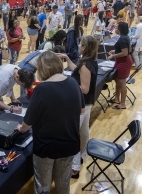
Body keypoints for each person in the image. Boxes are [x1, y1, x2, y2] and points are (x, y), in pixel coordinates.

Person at [15, 51, 84, 194]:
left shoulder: (41, 90)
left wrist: (21, 128)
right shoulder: (73, 82)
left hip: (46, 146)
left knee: (43, 185)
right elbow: (81, 110)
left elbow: (28, 123)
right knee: (63, 182)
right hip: (69, 142)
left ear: (42, 68)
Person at [57, 36, 98, 178]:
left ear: (85, 47)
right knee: (83, 130)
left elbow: (84, 89)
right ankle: (82, 154)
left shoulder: (86, 64)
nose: (79, 45)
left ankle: (74, 168)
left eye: (81, 44)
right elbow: (77, 71)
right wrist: (67, 58)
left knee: (73, 134)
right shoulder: (89, 61)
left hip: (81, 103)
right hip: (87, 103)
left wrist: (67, 83)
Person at [108, 22, 133, 109]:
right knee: (117, 81)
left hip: (124, 62)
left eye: (117, 27)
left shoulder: (122, 39)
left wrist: (113, 56)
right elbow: (128, 49)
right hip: (121, 61)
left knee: (122, 83)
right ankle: (116, 98)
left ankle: (122, 104)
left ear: (120, 29)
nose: (115, 28)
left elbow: (125, 53)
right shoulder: (125, 37)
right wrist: (115, 51)